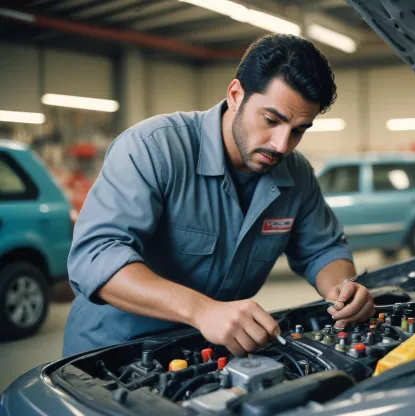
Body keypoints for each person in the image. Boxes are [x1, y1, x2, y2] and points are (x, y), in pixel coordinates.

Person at [63, 34, 375, 357]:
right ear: (236, 94)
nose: (281, 145)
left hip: (205, 356)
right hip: (109, 357)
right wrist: (202, 310)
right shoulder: (154, 149)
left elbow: (323, 248)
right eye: (271, 120)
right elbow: (95, 255)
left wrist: (342, 290)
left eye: (298, 130)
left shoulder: (296, 176)